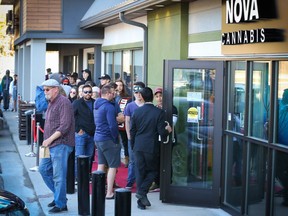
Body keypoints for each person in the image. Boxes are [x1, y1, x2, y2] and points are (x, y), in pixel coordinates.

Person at [130, 87, 172, 209]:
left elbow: (132, 131)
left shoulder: (137, 112)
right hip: (151, 147)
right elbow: (161, 132)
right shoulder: (159, 113)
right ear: (152, 97)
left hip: (138, 145)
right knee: (153, 171)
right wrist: (168, 130)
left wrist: (133, 145)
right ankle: (142, 193)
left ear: (141, 97)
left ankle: (140, 200)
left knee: (140, 172)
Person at [38, 79, 75, 213]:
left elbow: (64, 126)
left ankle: (60, 204)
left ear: (56, 89)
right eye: (44, 90)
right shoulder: (51, 102)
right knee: (43, 169)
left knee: (58, 176)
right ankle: (60, 197)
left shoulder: (64, 102)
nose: (45, 92)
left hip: (61, 144)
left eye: (47, 89)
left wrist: (49, 140)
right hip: (50, 144)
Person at [93, 84, 121, 199]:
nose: (114, 94)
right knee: (112, 166)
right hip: (108, 139)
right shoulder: (108, 107)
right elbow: (112, 125)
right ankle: (109, 192)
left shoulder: (97, 104)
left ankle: (99, 190)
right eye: (113, 92)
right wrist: (116, 139)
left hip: (98, 138)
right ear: (108, 93)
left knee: (101, 165)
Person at [124, 81, 145, 189]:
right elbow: (127, 121)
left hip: (144, 137)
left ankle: (142, 181)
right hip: (132, 137)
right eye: (136, 92)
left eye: (140, 92)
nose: (138, 94)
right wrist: (128, 135)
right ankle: (130, 181)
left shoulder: (147, 105)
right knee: (132, 160)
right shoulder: (130, 106)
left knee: (143, 160)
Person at [73, 84, 96, 181]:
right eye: (85, 92)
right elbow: (71, 117)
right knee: (79, 155)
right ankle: (78, 177)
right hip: (81, 134)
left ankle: (87, 175)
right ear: (82, 93)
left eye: (89, 92)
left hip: (92, 133)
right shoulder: (77, 103)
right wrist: (78, 130)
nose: (88, 94)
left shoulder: (95, 103)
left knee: (90, 156)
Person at [115, 79, 132, 167]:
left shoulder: (127, 97)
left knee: (124, 142)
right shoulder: (112, 96)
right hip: (113, 123)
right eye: (117, 85)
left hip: (123, 123)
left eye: (121, 85)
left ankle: (127, 159)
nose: (119, 87)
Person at [276, 88, 288, 206]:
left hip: (281, 147)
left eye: (284, 95)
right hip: (281, 146)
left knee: (279, 171)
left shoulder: (281, 110)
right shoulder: (281, 109)